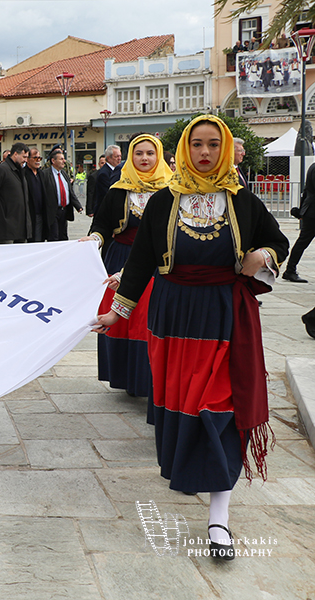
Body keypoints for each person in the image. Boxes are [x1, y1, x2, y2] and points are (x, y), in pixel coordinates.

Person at [93, 115, 289, 560]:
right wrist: (117, 313)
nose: (204, 152)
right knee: (183, 406)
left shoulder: (242, 200)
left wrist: (262, 254)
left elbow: (278, 242)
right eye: (197, 144)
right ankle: (191, 470)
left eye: (213, 145)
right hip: (174, 318)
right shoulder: (164, 200)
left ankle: (219, 518)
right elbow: (141, 261)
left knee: (220, 406)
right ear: (184, 149)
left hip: (225, 317)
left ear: (225, 149)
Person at [81, 134, 173, 398]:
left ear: (159, 156)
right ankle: (126, 377)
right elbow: (102, 224)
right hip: (120, 257)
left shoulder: (172, 191)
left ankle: (149, 379)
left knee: (148, 319)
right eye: (138, 153)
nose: (144, 158)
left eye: (150, 153)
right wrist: (95, 239)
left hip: (156, 263)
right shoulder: (118, 190)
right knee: (122, 320)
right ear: (130, 157)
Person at [0, 143, 31, 244]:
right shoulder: (2, 169)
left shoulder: (20, 170)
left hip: (20, 225)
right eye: (24, 157)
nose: (26, 160)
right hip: (5, 225)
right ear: (15, 154)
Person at [41, 147, 82, 240]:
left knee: (63, 236)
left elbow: (70, 191)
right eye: (61, 159)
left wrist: (78, 206)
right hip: (52, 211)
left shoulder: (64, 174)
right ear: (53, 161)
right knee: (54, 237)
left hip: (64, 211)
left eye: (64, 159)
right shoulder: (45, 174)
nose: (64, 161)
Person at [284, 160, 315, 283]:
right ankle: (290, 270)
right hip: (312, 212)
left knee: (302, 242)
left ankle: (290, 270)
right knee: (302, 242)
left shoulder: (313, 166)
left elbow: (306, 191)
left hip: (310, 211)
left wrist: (302, 210)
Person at [24, 147, 57, 242]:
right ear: (28, 159)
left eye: (39, 158)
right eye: (35, 158)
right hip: (30, 215)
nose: (38, 160)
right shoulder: (24, 174)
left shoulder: (41, 173)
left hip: (42, 214)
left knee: (41, 240)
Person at [94, 145, 122, 214]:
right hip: (106, 211)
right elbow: (108, 194)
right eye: (116, 156)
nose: (119, 159)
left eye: (120, 156)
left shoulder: (118, 170)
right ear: (108, 158)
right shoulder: (104, 173)